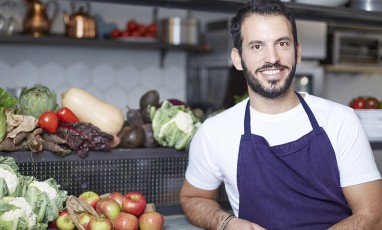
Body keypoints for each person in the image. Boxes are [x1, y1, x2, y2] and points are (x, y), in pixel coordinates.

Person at [179, 0, 382, 229]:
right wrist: (225, 222)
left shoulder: (341, 121)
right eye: (257, 46)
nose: (272, 58)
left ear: (297, 52)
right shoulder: (215, 132)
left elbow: (373, 216)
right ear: (238, 58)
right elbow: (193, 198)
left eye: (282, 43)